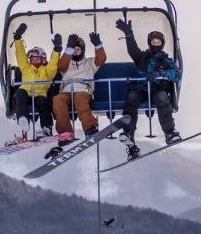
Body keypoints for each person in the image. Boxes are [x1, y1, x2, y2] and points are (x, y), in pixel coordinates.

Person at [114, 19, 181, 159]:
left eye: (158, 42)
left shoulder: (166, 60)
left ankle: (170, 132)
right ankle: (128, 133)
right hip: (142, 90)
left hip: (157, 89)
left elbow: (176, 74)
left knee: (163, 98)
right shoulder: (142, 57)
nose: (155, 44)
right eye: (153, 42)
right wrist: (129, 34)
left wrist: (162, 73)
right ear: (149, 43)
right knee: (132, 98)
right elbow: (132, 50)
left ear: (162, 44)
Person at [45, 32, 107, 158]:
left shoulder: (89, 63)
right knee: (57, 100)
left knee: (80, 99)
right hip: (66, 91)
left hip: (83, 90)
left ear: (82, 50)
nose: (75, 52)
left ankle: (90, 128)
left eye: (78, 49)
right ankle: (65, 133)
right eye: (73, 50)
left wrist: (98, 46)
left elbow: (101, 60)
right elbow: (61, 66)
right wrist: (68, 48)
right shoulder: (67, 63)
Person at [8, 23, 62, 144]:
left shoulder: (47, 71)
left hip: (39, 94)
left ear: (42, 59)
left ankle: (46, 128)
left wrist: (57, 50)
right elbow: (21, 56)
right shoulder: (26, 68)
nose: (33, 61)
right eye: (31, 59)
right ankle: (24, 121)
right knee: (20, 95)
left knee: (43, 104)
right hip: (26, 92)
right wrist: (18, 39)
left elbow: (53, 64)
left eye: (36, 59)